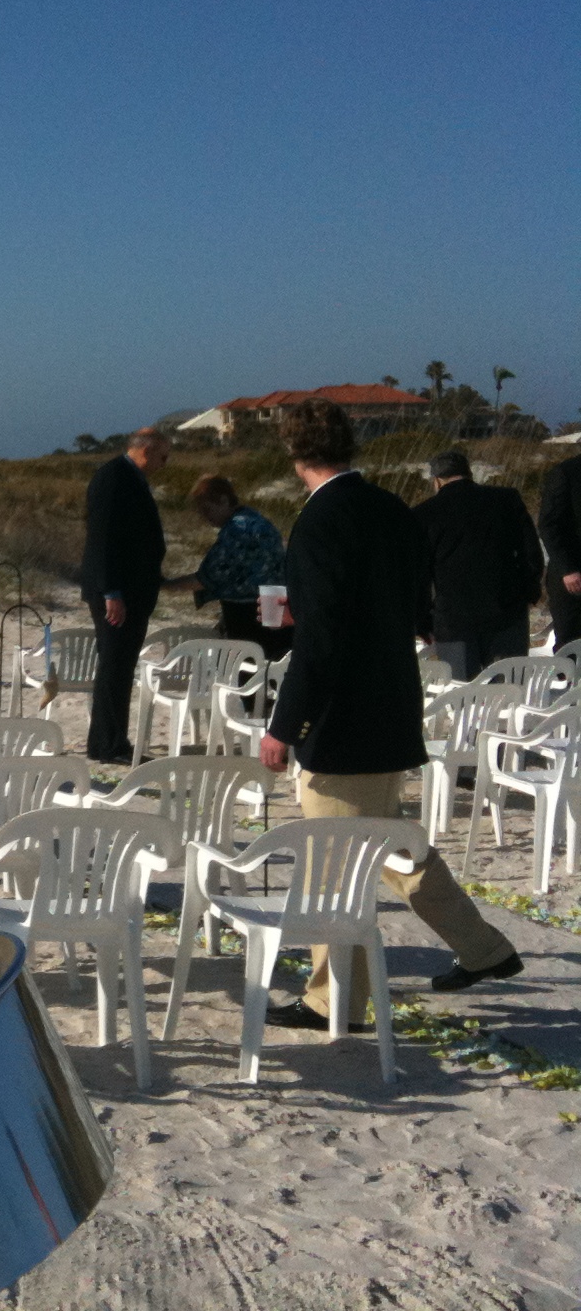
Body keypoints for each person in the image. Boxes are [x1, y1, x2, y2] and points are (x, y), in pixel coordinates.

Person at [259, 399, 520, 1032]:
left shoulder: (320, 524)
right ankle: (486, 950)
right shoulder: (393, 511)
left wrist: (283, 725)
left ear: (295, 457)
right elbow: (407, 603)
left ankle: (333, 1001)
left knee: (331, 865)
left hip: (344, 718)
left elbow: (320, 643)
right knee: (393, 851)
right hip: (391, 700)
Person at [413, 450, 544, 680]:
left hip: (454, 618)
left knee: (463, 695)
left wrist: (423, 621)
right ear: (469, 473)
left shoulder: (423, 514)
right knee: (509, 692)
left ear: (436, 480)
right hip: (508, 611)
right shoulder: (506, 499)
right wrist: (529, 592)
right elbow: (531, 551)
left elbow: (418, 574)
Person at [80, 428, 169, 763]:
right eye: (163, 455)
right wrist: (111, 591)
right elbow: (103, 537)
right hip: (117, 592)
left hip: (134, 589)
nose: (165, 462)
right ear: (145, 450)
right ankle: (107, 743)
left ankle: (114, 739)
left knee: (121, 665)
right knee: (114, 665)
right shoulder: (113, 477)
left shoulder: (131, 478)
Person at [162, 474, 291, 658]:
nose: (205, 517)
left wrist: (165, 585)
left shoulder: (235, 530)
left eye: (207, 509)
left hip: (249, 613)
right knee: (272, 666)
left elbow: (207, 578)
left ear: (223, 500)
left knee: (248, 669)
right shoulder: (255, 519)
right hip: (276, 605)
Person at [540, 451, 581, 649]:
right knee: (569, 642)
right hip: (572, 573)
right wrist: (567, 569)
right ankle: (567, 680)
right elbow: (549, 524)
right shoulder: (566, 472)